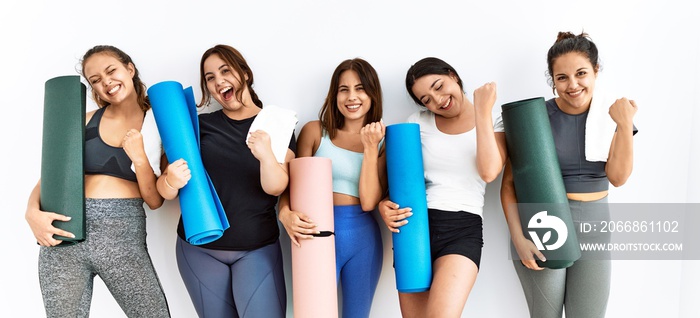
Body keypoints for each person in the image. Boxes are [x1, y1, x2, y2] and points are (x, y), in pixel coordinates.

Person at [24, 45, 170, 317]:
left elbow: (154, 200)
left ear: (129, 68)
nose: (106, 82)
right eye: (96, 80)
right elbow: (52, 174)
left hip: (122, 234)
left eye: (111, 70)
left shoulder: (159, 124)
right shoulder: (86, 120)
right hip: (65, 232)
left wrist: (139, 158)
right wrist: (31, 212)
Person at [499, 31, 637, 318]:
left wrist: (624, 124)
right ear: (552, 81)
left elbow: (618, 177)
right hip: (543, 222)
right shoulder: (536, 118)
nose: (572, 85)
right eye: (562, 78)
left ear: (595, 71)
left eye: (581, 73)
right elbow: (510, 183)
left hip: (595, 226)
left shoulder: (612, 115)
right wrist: (519, 238)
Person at [158, 44, 294, 318]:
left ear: (244, 73)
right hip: (199, 249)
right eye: (209, 77)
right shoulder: (197, 126)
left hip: (257, 247)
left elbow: (277, 186)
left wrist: (266, 155)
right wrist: (170, 181)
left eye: (225, 71)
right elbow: (164, 190)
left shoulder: (277, 123)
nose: (218, 81)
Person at [378, 57, 507, 317]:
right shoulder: (417, 122)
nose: (437, 100)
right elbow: (394, 179)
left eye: (438, 86)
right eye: (426, 99)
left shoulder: (494, 119)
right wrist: (384, 204)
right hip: (413, 227)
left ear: (453, 76)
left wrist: (482, 111)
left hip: (462, 229)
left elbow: (489, 171)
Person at [278, 58, 386, 318]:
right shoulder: (316, 132)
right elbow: (289, 186)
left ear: (372, 93)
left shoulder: (383, 140)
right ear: (334, 94)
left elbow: (369, 201)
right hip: (313, 233)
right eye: (343, 89)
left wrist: (371, 147)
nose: (352, 97)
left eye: (360, 88)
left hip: (362, 238)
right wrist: (284, 214)